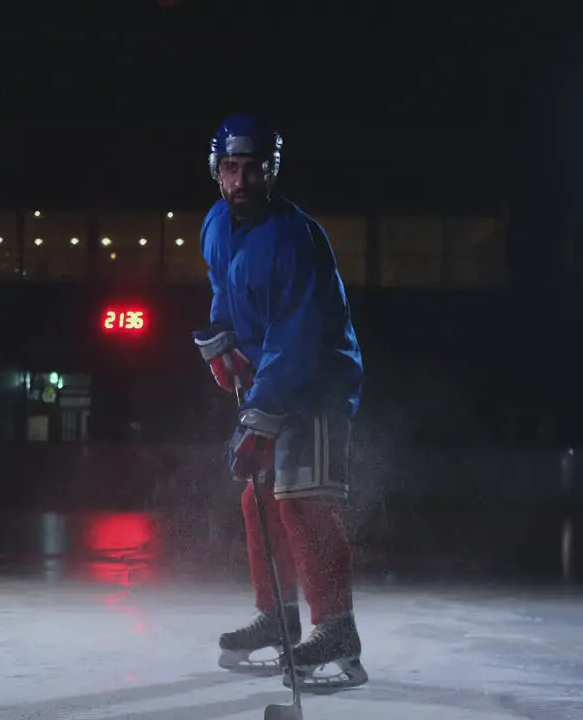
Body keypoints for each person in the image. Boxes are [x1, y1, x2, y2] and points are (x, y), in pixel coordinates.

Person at [192, 113, 367, 690]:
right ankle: (279, 617)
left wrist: (259, 420)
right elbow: (223, 291)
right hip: (273, 377)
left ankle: (336, 629)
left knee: (303, 503)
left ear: (272, 172)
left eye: (253, 169)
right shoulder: (217, 224)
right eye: (230, 168)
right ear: (217, 172)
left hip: (317, 382)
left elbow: (296, 340)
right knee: (258, 503)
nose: (240, 181)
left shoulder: (295, 237)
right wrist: (220, 343)